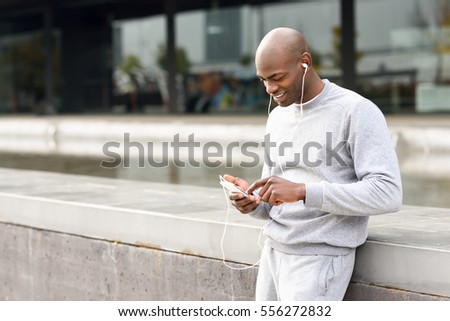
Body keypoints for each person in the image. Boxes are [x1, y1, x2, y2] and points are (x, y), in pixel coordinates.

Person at [223, 27, 402, 301]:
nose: (270, 89)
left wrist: (305, 191)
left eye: (277, 78)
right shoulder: (278, 118)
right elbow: (275, 201)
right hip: (273, 253)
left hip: (319, 259)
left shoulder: (356, 111)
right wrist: (253, 202)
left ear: (304, 62)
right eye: (263, 80)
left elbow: (388, 193)